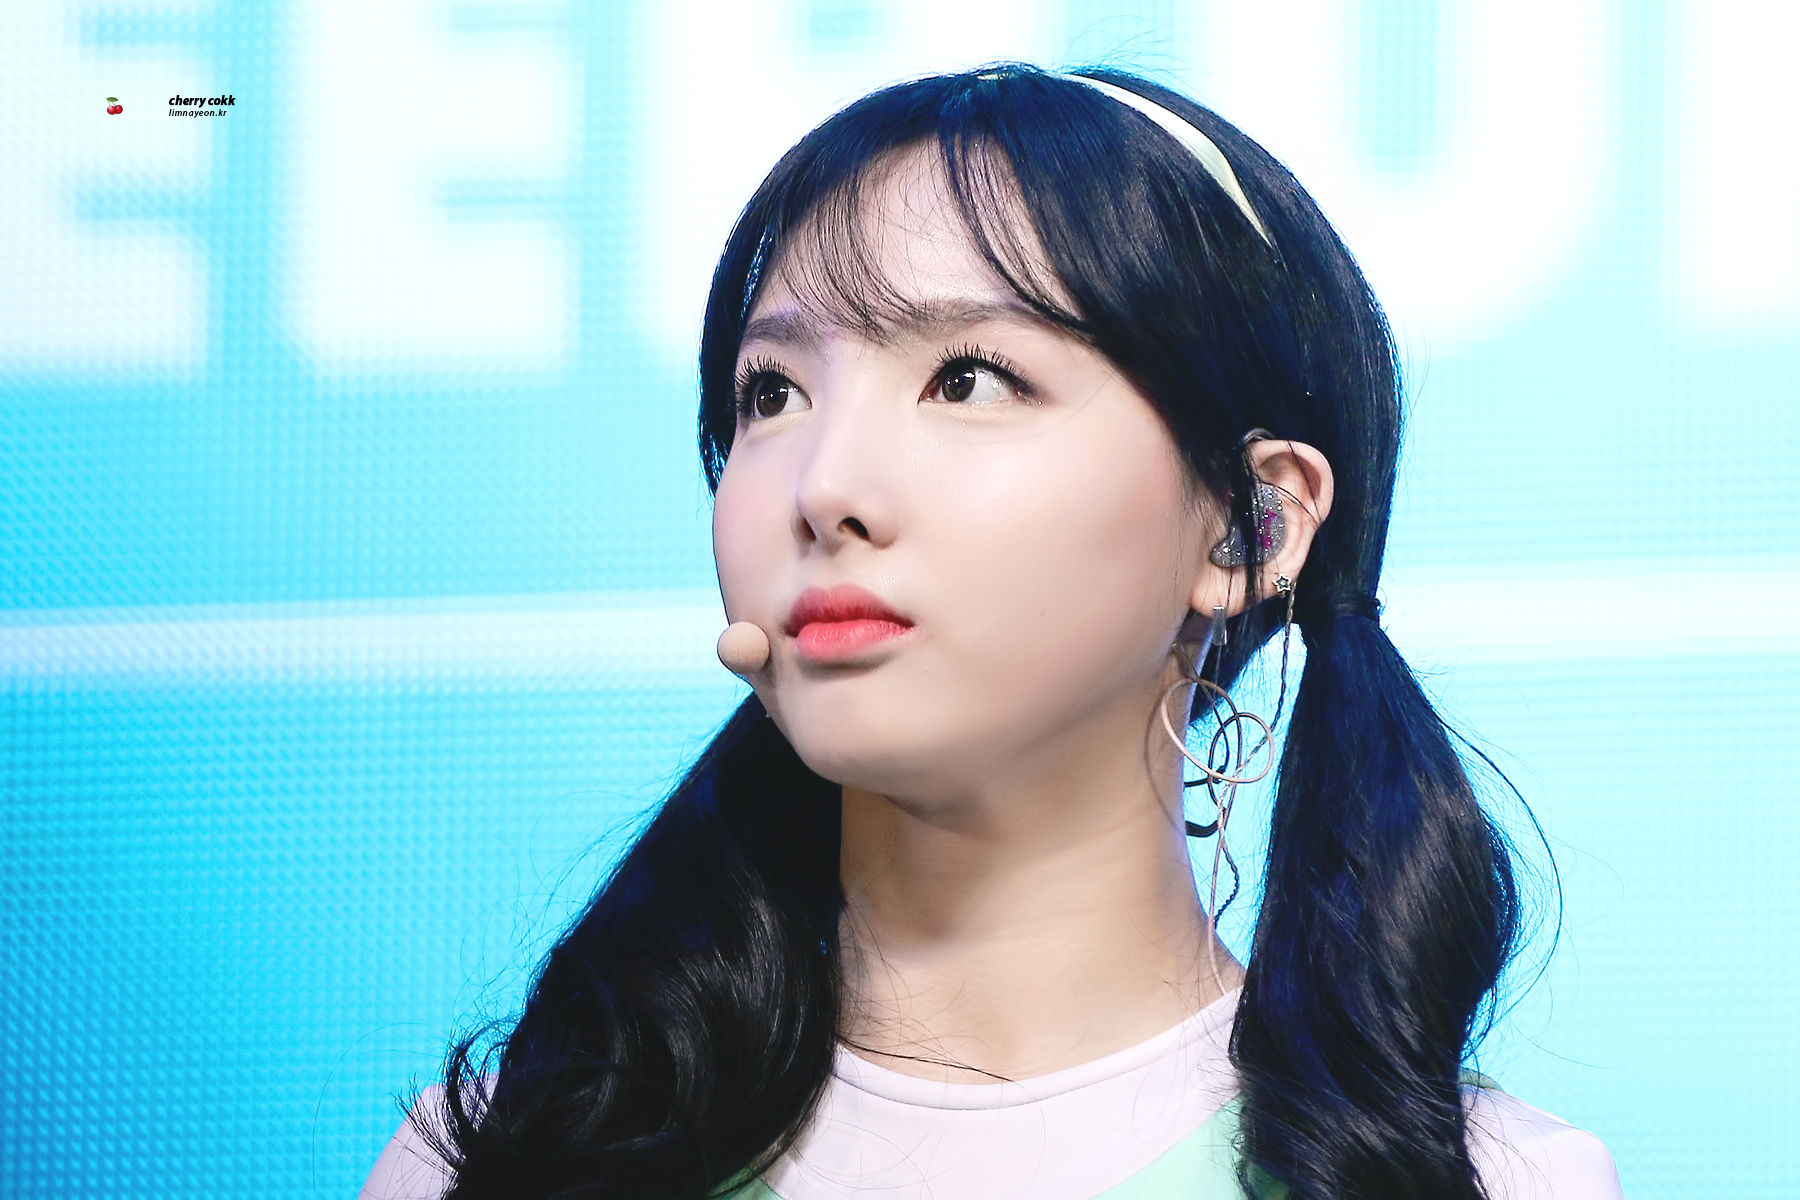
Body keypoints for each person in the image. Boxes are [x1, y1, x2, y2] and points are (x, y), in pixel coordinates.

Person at [362, 64, 1623, 1199]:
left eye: (967, 378)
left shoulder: (1485, 1184)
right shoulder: (501, 1156)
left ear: (1250, 528)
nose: (825, 485)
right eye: (773, 391)